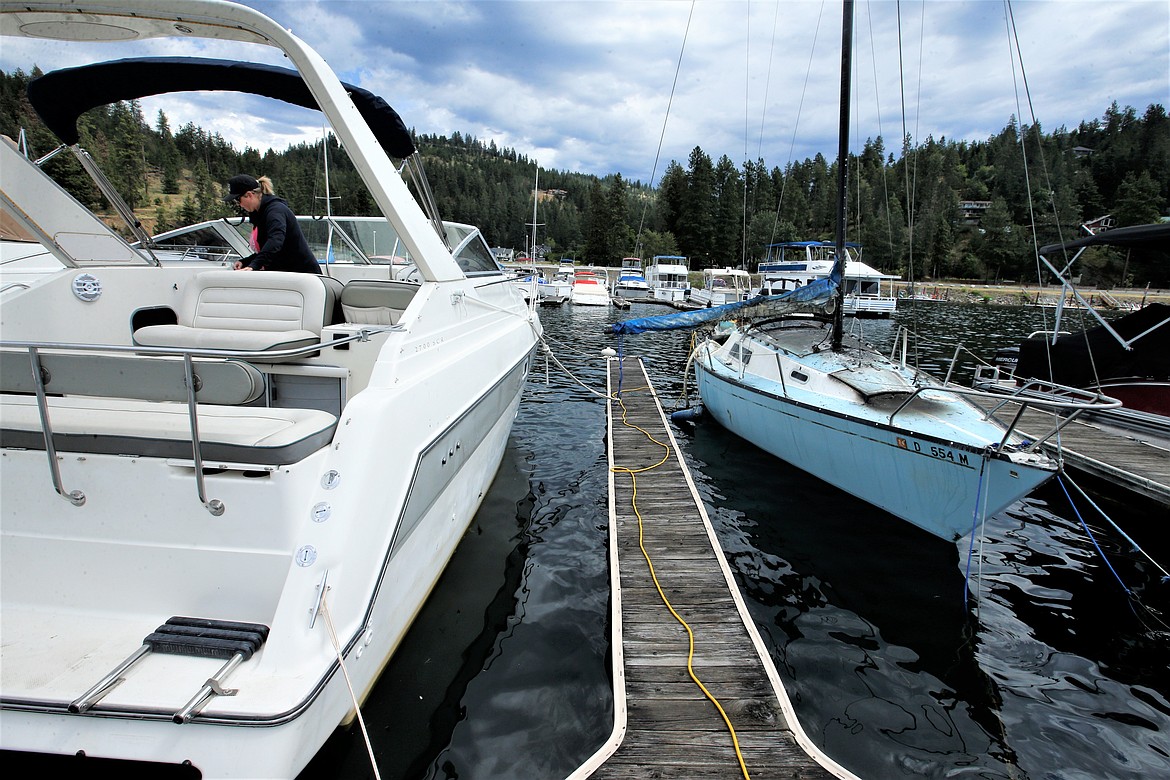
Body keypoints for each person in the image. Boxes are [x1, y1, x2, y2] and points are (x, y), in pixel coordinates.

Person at [222, 174, 320, 273]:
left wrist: (254, 265)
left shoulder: (275, 211)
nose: (240, 205)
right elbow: (267, 248)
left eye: (238, 200)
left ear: (249, 195)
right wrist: (246, 262)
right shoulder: (261, 213)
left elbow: (276, 240)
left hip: (303, 275)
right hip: (287, 273)